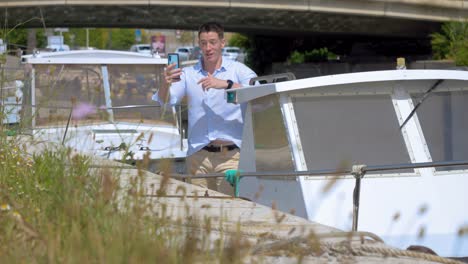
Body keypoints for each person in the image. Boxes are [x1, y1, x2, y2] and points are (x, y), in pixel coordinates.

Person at [152, 22, 257, 195]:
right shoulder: (188, 74)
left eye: (213, 42)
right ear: (199, 45)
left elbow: (259, 91)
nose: (208, 48)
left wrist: (226, 84)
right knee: (200, 212)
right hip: (198, 156)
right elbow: (166, 101)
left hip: (231, 158)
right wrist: (165, 82)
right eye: (203, 43)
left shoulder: (238, 70)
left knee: (228, 211)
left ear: (222, 43)